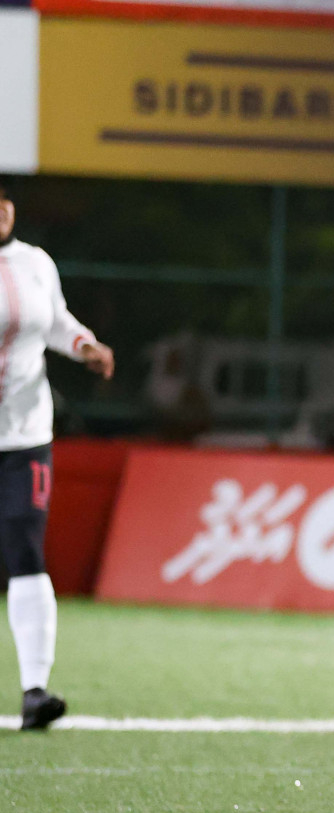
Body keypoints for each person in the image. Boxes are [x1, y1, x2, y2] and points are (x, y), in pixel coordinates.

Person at [0, 176, 115, 730]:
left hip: (25, 437)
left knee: (25, 550)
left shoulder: (35, 263)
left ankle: (35, 691)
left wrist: (83, 345)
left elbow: (55, 320)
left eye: (3, 201)